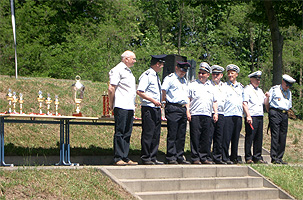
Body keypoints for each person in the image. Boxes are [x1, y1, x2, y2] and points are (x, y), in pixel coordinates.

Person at [108, 50, 138, 166]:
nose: (134, 61)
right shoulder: (117, 70)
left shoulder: (129, 72)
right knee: (120, 132)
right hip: (120, 105)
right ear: (126, 59)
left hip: (129, 106)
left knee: (127, 132)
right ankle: (118, 157)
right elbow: (111, 88)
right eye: (133, 59)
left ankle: (125, 156)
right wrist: (111, 104)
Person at [137, 54, 166, 165]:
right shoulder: (147, 75)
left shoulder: (155, 76)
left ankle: (153, 156)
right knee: (148, 133)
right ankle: (145, 157)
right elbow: (140, 91)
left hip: (156, 108)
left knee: (156, 133)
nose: (162, 67)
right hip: (149, 107)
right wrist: (153, 100)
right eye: (161, 64)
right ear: (157, 64)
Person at [187, 62, 218, 164]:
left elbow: (214, 101)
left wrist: (215, 113)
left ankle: (204, 157)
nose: (201, 75)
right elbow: (188, 99)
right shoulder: (192, 84)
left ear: (208, 75)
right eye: (199, 73)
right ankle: (195, 157)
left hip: (207, 114)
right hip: (195, 113)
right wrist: (188, 111)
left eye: (203, 73)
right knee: (195, 136)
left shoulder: (211, 87)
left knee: (206, 137)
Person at [161, 61, 191, 164]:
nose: (183, 72)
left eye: (185, 71)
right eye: (182, 70)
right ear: (176, 68)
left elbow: (186, 96)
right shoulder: (170, 79)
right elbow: (163, 91)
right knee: (172, 133)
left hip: (182, 108)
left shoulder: (184, 81)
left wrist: (187, 110)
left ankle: (179, 155)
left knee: (181, 134)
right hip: (173, 107)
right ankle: (171, 156)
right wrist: (164, 104)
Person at [265, 74, 296, 165]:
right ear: (283, 82)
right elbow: (267, 102)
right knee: (275, 135)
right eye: (286, 85)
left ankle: (280, 157)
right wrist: (270, 112)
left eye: (289, 86)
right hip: (275, 112)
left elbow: (289, 105)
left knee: (283, 136)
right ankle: (274, 157)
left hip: (284, 113)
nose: (287, 87)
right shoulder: (274, 89)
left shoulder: (289, 92)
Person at [243, 71, 269, 164]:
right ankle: (248, 157)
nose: (258, 81)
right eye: (256, 79)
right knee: (250, 137)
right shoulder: (247, 89)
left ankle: (257, 156)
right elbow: (244, 103)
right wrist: (248, 115)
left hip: (259, 116)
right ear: (251, 79)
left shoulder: (260, 90)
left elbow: (264, 103)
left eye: (259, 79)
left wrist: (267, 97)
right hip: (251, 116)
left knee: (258, 137)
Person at [222, 64, 244, 164]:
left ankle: (234, 157)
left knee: (236, 137)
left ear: (236, 75)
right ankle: (225, 157)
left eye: (232, 73)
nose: (230, 75)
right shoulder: (224, 86)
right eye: (229, 73)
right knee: (226, 137)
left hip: (238, 115)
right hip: (228, 114)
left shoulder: (241, 87)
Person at [208, 65, 227, 164]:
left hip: (222, 113)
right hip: (210, 112)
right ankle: (207, 156)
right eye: (214, 74)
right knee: (209, 135)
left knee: (219, 136)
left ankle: (217, 156)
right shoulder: (208, 84)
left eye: (217, 74)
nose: (215, 76)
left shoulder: (224, 86)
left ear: (221, 75)